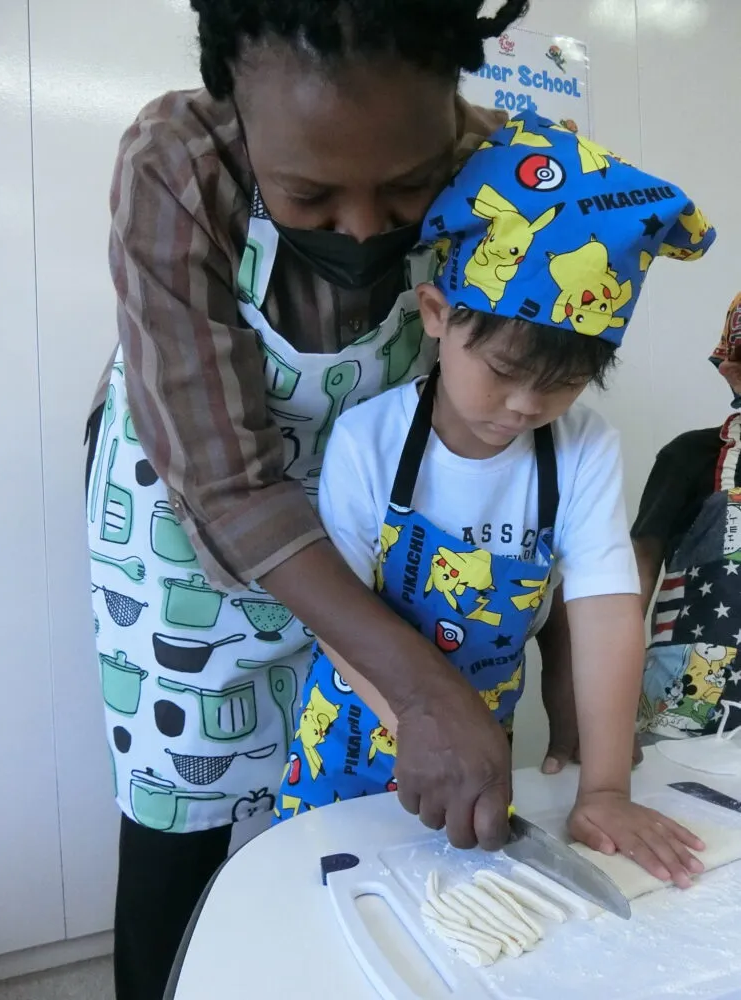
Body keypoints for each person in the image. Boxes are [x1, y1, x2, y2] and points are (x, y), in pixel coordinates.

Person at [83, 3, 565, 997]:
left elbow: (541, 393)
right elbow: (228, 482)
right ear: (240, 112)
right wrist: (424, 691)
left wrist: (554, 679)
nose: (363, 228)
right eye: (308, 193)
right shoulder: (178, 161)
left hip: (377, 521)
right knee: (185, 816)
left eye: (409, 189)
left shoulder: (507, 167)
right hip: (188, 521)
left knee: (355, 805)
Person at [274, 110, 716, 886]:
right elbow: (336, 614)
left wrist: (605, 789)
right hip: (347, 746)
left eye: (563, 383)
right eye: (505, 372)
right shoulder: (369, 440)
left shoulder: (582, 449)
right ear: (438, 316)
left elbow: (607, 611)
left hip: (480, 769)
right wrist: (419, 723)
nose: (523, 407)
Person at [634, 293, 741, 739]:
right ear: (733, 369)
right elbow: (636, 576)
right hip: (685, 701)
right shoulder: (687, 456)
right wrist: (605, 697)